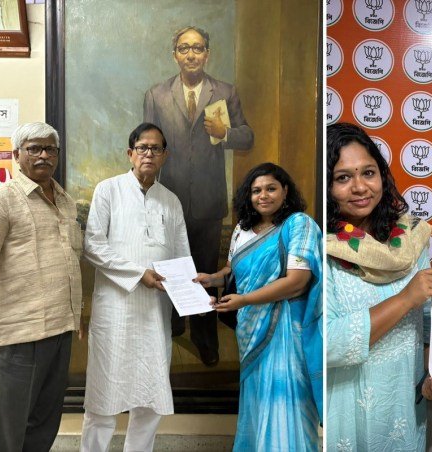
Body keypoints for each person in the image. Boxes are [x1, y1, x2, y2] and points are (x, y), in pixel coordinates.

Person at [325, 123, 432, 451]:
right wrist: (405, 298)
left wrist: (430, 380)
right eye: (342, 178)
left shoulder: (409, 241)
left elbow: (427, 326)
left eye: (368, 172)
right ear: (326, 187)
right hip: (344, 410)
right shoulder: (320, 247)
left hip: (404, 411)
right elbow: (327, 344)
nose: (359, 187)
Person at [144, 25, 254, 366]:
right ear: (174, 53)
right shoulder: (157, 95)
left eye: (198, 48)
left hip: (208, 200)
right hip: (168, 198)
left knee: (205, 271)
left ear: (207, 53)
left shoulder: (225, 91)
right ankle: (173, 325)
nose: (191, 54)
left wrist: (227, 133)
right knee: (172, 267)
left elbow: (247, 137)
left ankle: (205, 339)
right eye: (184, 48)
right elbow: (149, 145)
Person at [194, 163, 321, 450]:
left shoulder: (298, 225)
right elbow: (233, 268)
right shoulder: (242, 228)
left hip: (286, 328)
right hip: (250, 329)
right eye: (256, 190)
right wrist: (212, 278)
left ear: (285, 190)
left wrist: (245, 300)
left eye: (271, 188)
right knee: (257, 401)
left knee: (286, 401)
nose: (263, 195)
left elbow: (298, 282)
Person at [79, 123, 191, 451]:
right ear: (130, 153)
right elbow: (93, 245)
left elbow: (181, 253)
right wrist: (138, 273)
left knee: (151, 395)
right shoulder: (108, 190)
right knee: (103, 394)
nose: (148, 154)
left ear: (164, 156)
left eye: (156, 149)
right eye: (142, 147)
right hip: (115, 308)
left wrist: (191, 290)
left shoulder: (170, 201)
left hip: (156, 311)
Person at [0, 122, 82, 451]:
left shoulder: (66, 202)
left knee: (44, 423)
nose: (43, 155)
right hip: (17, 337)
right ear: (16, 155)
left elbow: (70, 260)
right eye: (34, 148)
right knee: (7, 430)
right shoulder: (3, 200)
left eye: (50, 149)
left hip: (59, 330)